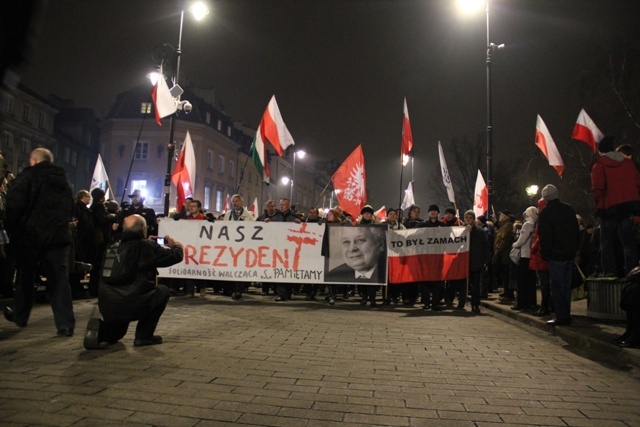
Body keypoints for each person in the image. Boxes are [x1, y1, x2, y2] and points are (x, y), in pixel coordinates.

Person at [4, 148, 76, 336]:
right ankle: (65, 323)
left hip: (30, 235)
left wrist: (14, 230)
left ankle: (20, 315)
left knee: (25, 276)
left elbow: (14, 205)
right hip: (57, 237)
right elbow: (70, 207)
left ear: (34, 161)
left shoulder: (28, 177)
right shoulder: (63, 181)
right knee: (58, 279)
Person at [83, 214, 183, 349]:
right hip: (135, 302)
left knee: (116, 334)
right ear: (143, 229)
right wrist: (176, 246)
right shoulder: (147, 246)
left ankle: (98, 332)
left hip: (108, 304)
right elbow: (174, 257)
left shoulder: (111, 245)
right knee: (163, 291)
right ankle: (144, 336)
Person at [591, 135, 640, 278]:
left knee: (607, 241)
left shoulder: (600, 164)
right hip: (630, 206)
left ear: (601, 151)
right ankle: (632, 270)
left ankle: (609, 271)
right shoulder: (629, 163)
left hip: (610, 207)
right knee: (628, 241)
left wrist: (600, 204)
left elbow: (598, 188)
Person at [538, 184, 580, 326]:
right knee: (566, 286)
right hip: (569, 253)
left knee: (557, 286)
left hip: (555, 254)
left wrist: (545, 252)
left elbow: (545, 235)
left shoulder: (546, 213)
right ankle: (565, 313)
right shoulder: (568, 210)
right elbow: (576, 231)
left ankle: (561, 315)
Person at [267, 198, 301, 301]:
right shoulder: (276, 217)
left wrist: (301, 223)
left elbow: (305, 226)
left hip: (291, 249)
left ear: (288, 206)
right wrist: (267, 222)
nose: (281, 206)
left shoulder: (294, 217)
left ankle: (288, 292)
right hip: (279, 249)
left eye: (284, 204)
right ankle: (281, 294)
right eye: (280, 204)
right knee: (280, 271)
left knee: (289, 272)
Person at [222, 194, 254, 299]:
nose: (235, 203)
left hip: (242, 246)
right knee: (230, 268)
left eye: (237, 201)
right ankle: (229, 289)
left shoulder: (248, 215)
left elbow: (251, 229)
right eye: (233, 201)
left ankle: (238, 290)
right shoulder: (228, 215)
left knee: (240, 268)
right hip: (230, 246)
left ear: (242, 202)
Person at [511, 206, 538, 311]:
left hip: (524, 254)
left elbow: (521, 240)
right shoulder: (535, 225)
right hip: (531, 255)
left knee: (522, 281)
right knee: (530, 281)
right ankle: (531, 302)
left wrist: (514, 245)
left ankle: (522, 303)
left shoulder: (527, 225)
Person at [463, 210, 490, 313]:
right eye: (466, 218)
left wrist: (486, 260)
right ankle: (462, 302)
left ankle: (475, 304)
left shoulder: (480, 232)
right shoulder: (461, 230)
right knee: (463, 284)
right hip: (464, 261)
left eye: (470, 218)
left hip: (475, 261)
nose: (468, 220)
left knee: (475, 285)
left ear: (474, 219)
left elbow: (485, 246)